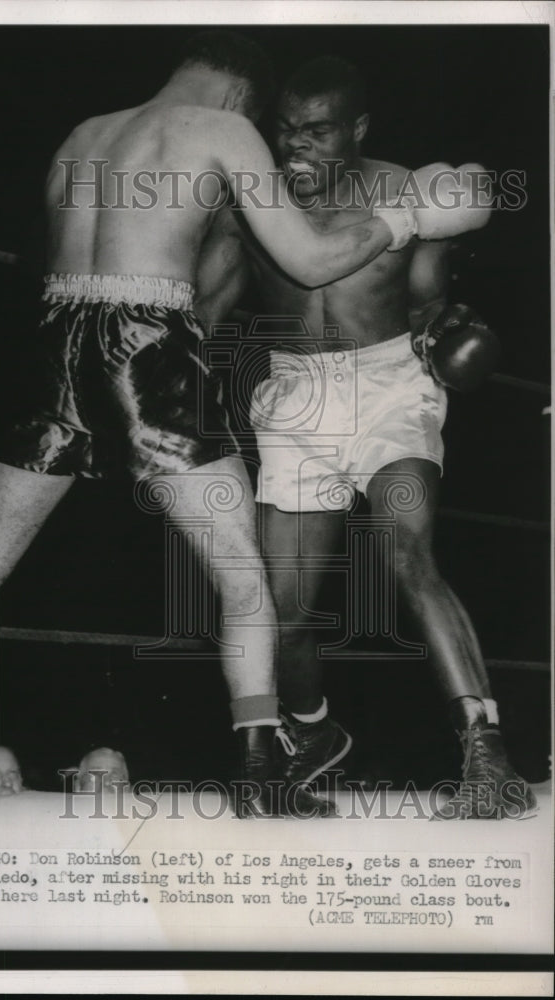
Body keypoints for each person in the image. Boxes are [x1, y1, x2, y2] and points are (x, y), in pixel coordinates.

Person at [0, 32, 486, 818]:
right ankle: (256, 772)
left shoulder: (83, 136)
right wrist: (405, 216)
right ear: (244, 100)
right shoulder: (225, 130)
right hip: (145, 346)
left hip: (54, 338)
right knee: (243, 580)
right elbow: (307, 262)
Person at [206, 56, 533, 819]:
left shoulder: (402, 191)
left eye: (317, 132)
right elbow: (206, 308)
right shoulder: (251, 202)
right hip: (292, 399)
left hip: (390, 388)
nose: (296, 149)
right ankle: (314, 738)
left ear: (355, 130)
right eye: (284, 131)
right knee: (280, 612)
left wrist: (450, 331)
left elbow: (425, 308)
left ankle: (487, 757)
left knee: (409, 555)